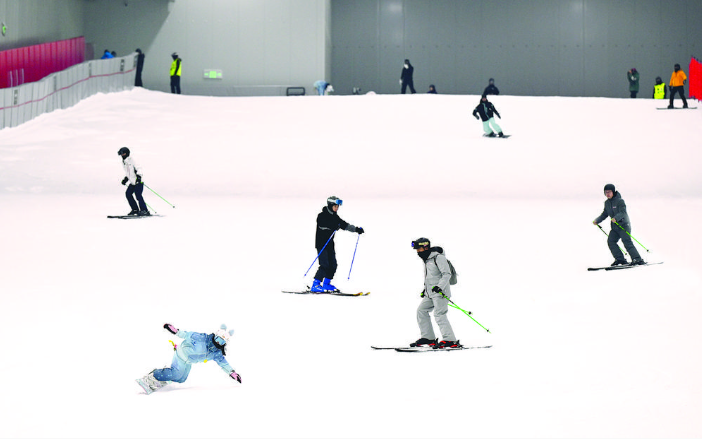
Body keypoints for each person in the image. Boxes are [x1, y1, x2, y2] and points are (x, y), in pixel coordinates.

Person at [136, 323, 241, 395]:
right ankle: (152, 377)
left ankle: (165, 377)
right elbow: (187, 335)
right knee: (177, 374)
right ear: (216, 335)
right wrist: (175, 331)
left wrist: (232, 373)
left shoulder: (216, 353)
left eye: (221, 342)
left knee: (182, 379)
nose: (218, 342)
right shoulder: (202, 338)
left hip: (189, 361)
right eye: (218, 339)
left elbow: (223, 363)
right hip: (182, 354)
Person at [410, 238, 460, 349]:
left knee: (439, 314)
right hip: (430, 293)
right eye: (416, 249)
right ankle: (428, 338)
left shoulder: (439, 258)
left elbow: (447, 274)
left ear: (425, 247)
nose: (417, 251)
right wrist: (425, 290)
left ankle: (450, 340)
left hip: (440, 293)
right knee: (421, 311)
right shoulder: (427, 259)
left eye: (419, 249)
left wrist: (439, 287)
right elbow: (431, 277)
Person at [312, 196, 364, 293]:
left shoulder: (335, 217)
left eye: (337, 206)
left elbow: (345, 225)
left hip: (330, 244)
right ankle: (315, 284)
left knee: (333, 265)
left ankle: (326, 284)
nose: (336, 208)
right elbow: (322, 225)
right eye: (335, 206)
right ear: (330, 205)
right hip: (321, 244)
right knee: (324, 264)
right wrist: (333, 226)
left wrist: (356, 229)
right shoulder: (322, 215)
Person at [592, 184, 645, 266]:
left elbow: (623, 212)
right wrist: (597, 220)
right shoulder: (607, 203)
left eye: (609, 192)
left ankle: (637, 259)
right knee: (611, 241)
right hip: (615, 227)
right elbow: (604, 214)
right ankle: (620, 259)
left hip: (624, 225)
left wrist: (616, 218)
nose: (607, 194)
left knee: (626, 241)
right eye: (606, 192)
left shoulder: (620, 201)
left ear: (613, 192)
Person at [118, 147, 149, 216]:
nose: (122, 155)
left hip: (139, 182)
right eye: (121, 154)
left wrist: (139, 177)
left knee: (138, 195)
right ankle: (135, 209)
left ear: (127, 153)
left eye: (123, 153)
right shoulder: (124, 162)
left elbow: (139, 168)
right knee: (128, 194)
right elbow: (129, 173)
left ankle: (144, 210)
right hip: (132, 182)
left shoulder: (132, 160)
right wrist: (126, 179)